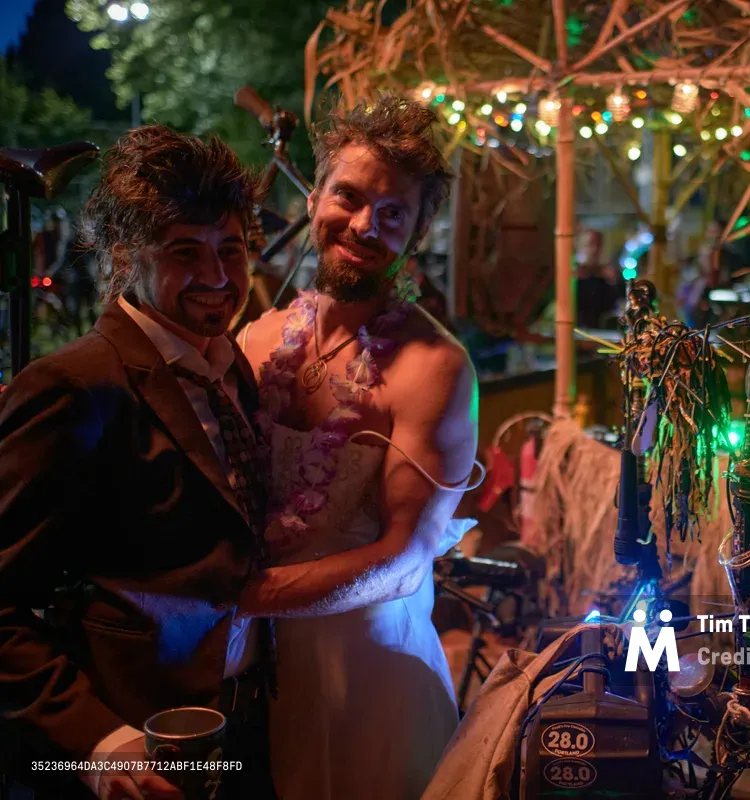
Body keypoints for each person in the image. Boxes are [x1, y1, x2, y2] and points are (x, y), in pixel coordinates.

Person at [0, 126, 274, 799]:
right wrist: (100, 743)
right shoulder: (72, 384)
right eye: (185, 252)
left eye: (231, 250)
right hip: (132, 748)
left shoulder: (232, 366)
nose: (216, 278)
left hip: (245, 728)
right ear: (128, 255)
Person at [237, 93, 479, 800]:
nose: (366, 225)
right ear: (314, 197)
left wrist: (249, 596)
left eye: (393, 212)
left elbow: (406, 556)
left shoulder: (435, 365)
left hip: (374, 678)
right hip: (257, 671)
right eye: (349, 195)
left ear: (418, 231)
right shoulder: (255, 341)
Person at [575, 228, 623, 328]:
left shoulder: (607, 276)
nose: (595, 249)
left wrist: (613, 282)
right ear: (580, 247)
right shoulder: (573, 276)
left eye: (598, 245)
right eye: (590, 244)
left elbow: (617, 304)